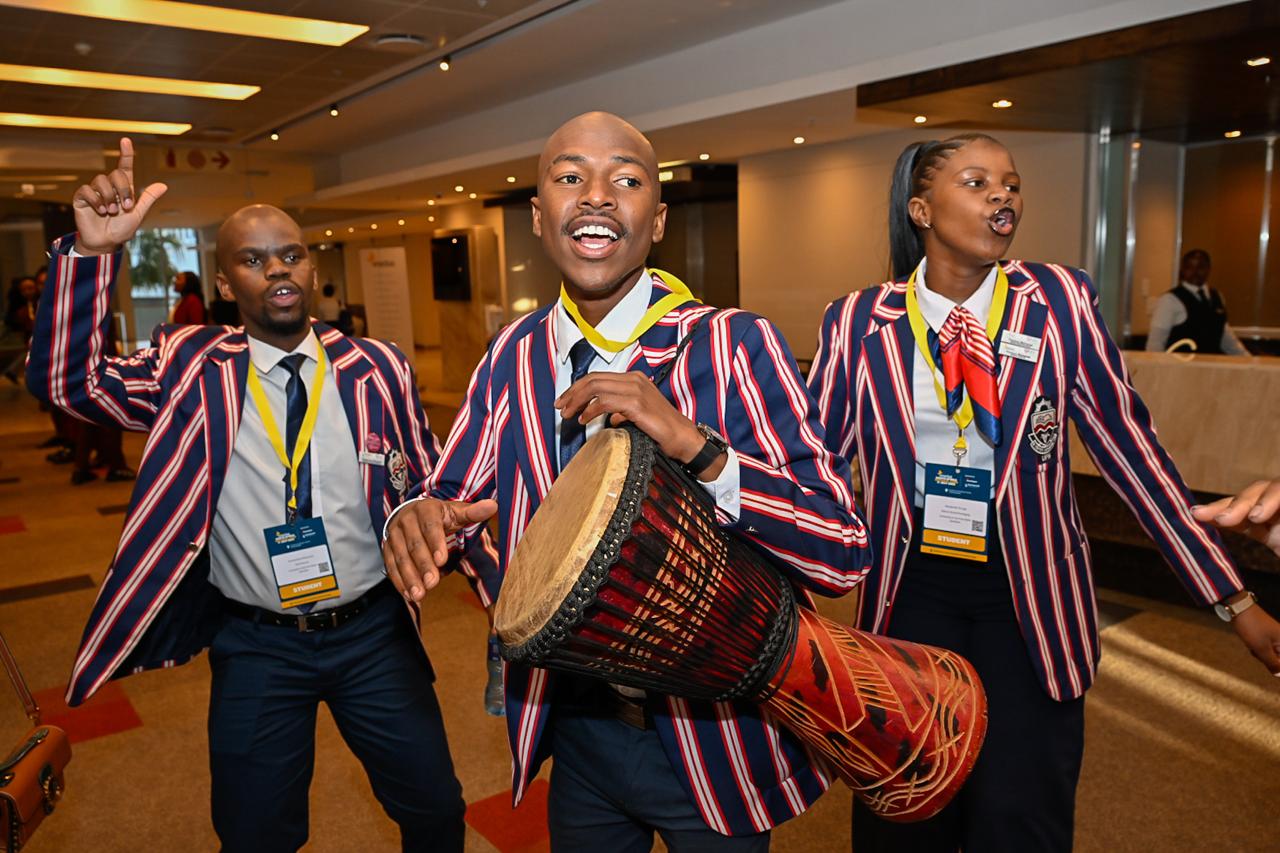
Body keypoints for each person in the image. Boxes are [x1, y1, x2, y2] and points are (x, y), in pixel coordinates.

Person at [383, 112, 871, 851]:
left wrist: (695, 446)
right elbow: (449, 491)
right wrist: (416, 516)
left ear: (659, 218)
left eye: (628, 180)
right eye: (570, 177)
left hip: (712, 735)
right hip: (576, 731)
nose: (598, 195)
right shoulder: (512, 354)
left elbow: (841, 547)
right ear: (541, 216)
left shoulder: (735, 344)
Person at [807, 133, 1280, 853]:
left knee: (1021, 814)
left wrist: (1233, 597)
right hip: (909, 595)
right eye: (976, 182)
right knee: (905, 809)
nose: (1003, 195)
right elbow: (816, 467)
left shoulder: (1059, 301)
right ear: (921, 208)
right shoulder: (857, 321)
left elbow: (1132, 453)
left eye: (1012, 183)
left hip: (1029, 596)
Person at [26, 138, 493, 853]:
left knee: (434, 808)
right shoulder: (188, 364)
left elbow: (422, 476)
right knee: (254, 834)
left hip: (373, 632)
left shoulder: (378, 365)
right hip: (255, 642)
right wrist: (91, 258)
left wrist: (440, 517)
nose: (277, 267)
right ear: (225, 281)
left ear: (310, 265)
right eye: (253, 257)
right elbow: (68, 384)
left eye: (292, 253)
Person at [1145, 249, 1248, 354]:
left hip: (1211, 366)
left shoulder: (1217, 296)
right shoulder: (1169, 300)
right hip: (1180, 367)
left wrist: (1250, 361)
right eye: (1189, 267)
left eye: (1201, 267)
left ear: (1208, 269)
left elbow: (1226, 339)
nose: (1195, 272)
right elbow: (1155, 343)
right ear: (1182, 270)